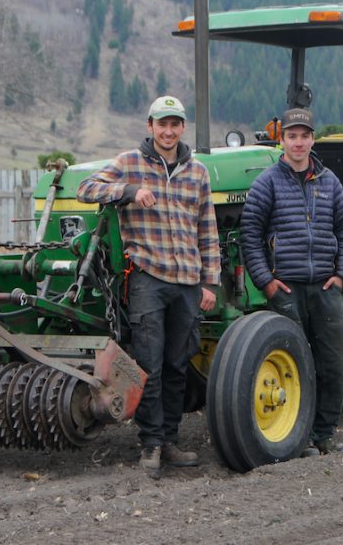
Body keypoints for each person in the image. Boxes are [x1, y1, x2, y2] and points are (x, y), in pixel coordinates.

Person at [77, 95, 221, 478]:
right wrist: (128, 192)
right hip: (148, 279)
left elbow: (207, 229)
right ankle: (151, 444)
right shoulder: (130, 163)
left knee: (177, 365)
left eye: (174, 124)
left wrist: (210, 281)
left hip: (187, 282)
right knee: (149, 365)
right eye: (162, 124)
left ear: (182, 128)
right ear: (150, 126)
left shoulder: (197, 172)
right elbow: (86, 188)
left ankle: (170, 440)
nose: (168, 131)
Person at [240, 107, 343, 456]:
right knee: (296, 365)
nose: (299, 142)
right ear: (282, 140)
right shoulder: (267, 183)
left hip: (325, 287)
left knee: (333, 363)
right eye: (292, 136)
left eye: (304, 136)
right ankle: (300, 438)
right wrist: (266, 282)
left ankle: (325, 434)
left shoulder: (329, 182)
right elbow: (250, 235)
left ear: (312, 140)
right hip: (286, 289)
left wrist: (341, 275)